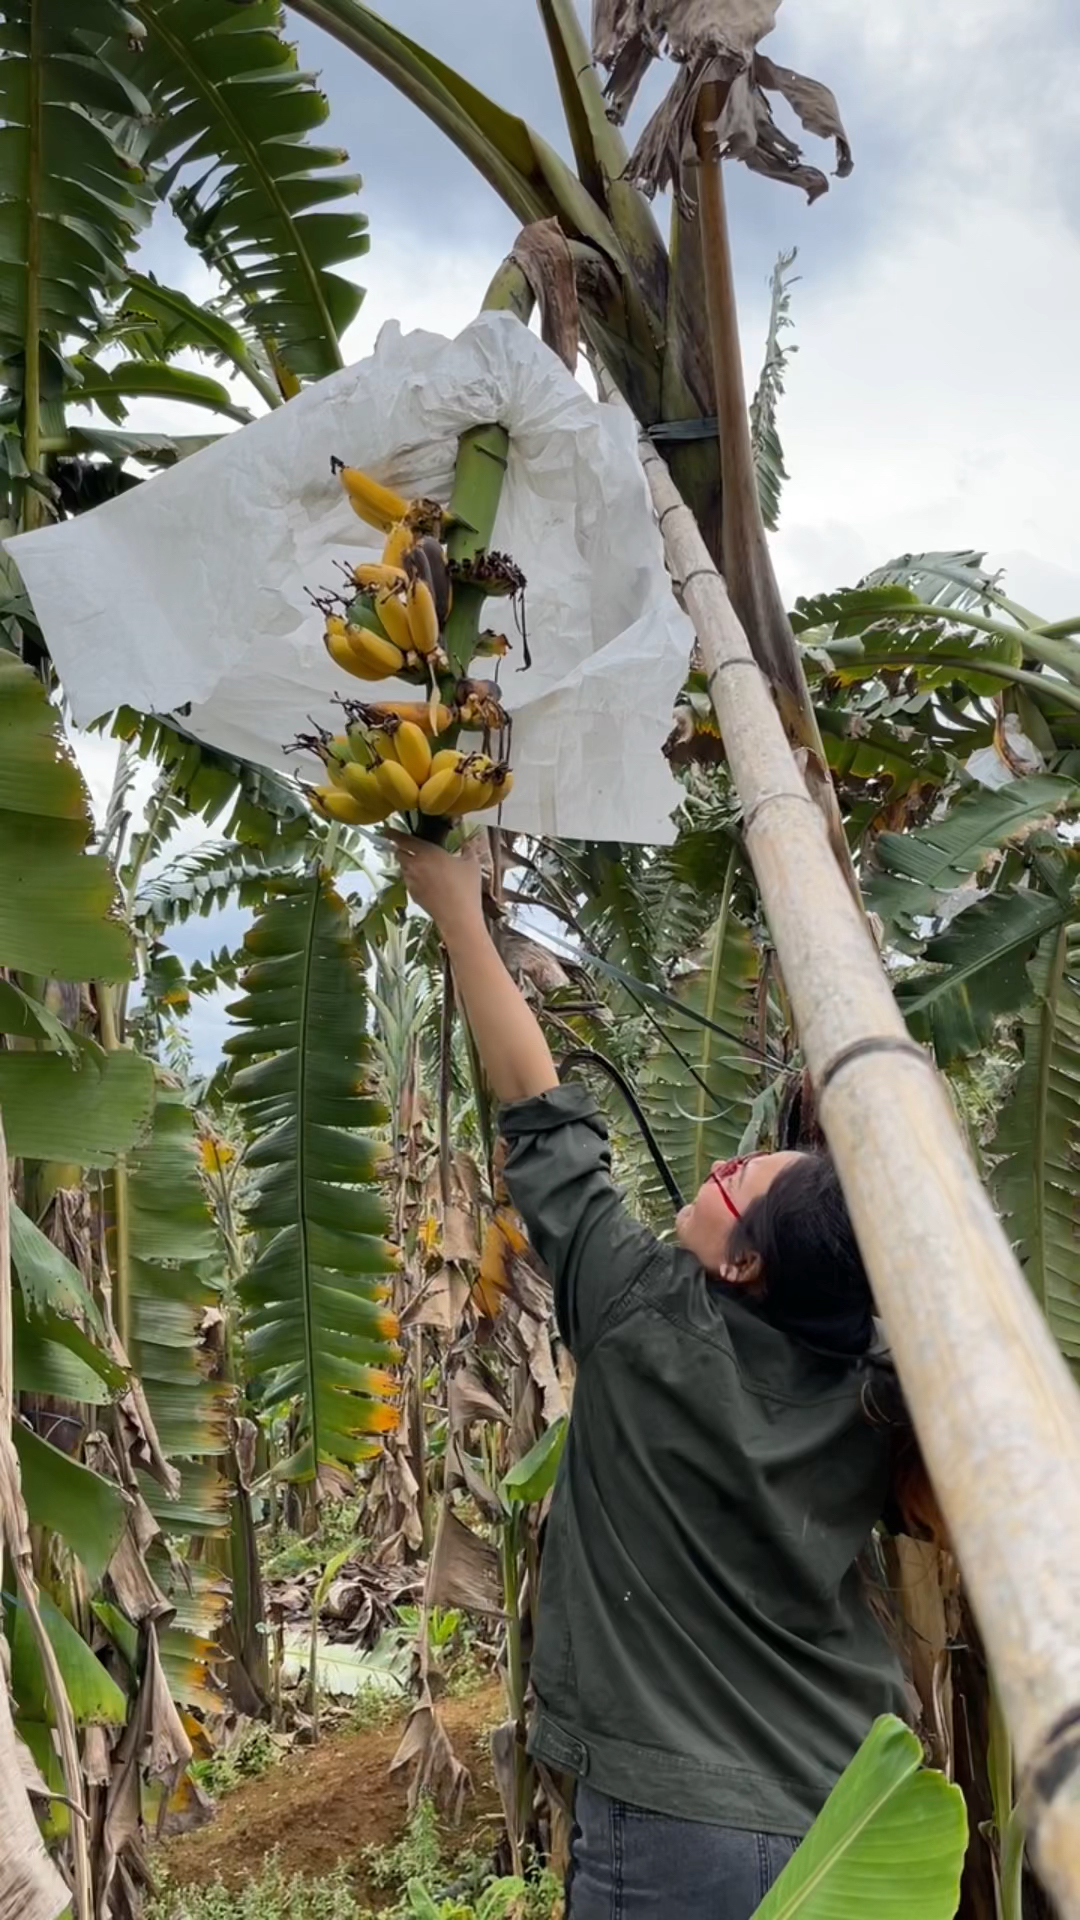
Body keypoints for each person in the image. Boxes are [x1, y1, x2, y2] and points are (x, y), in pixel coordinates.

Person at [395, 833, 910, 1920]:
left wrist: (456, 914)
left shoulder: (637, 1312)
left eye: (742, 1178)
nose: (721, 1165)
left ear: (746, 1261)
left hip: (674, 1831)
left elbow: (538, 1103)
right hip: (852, 1805)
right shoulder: (875, 1379)